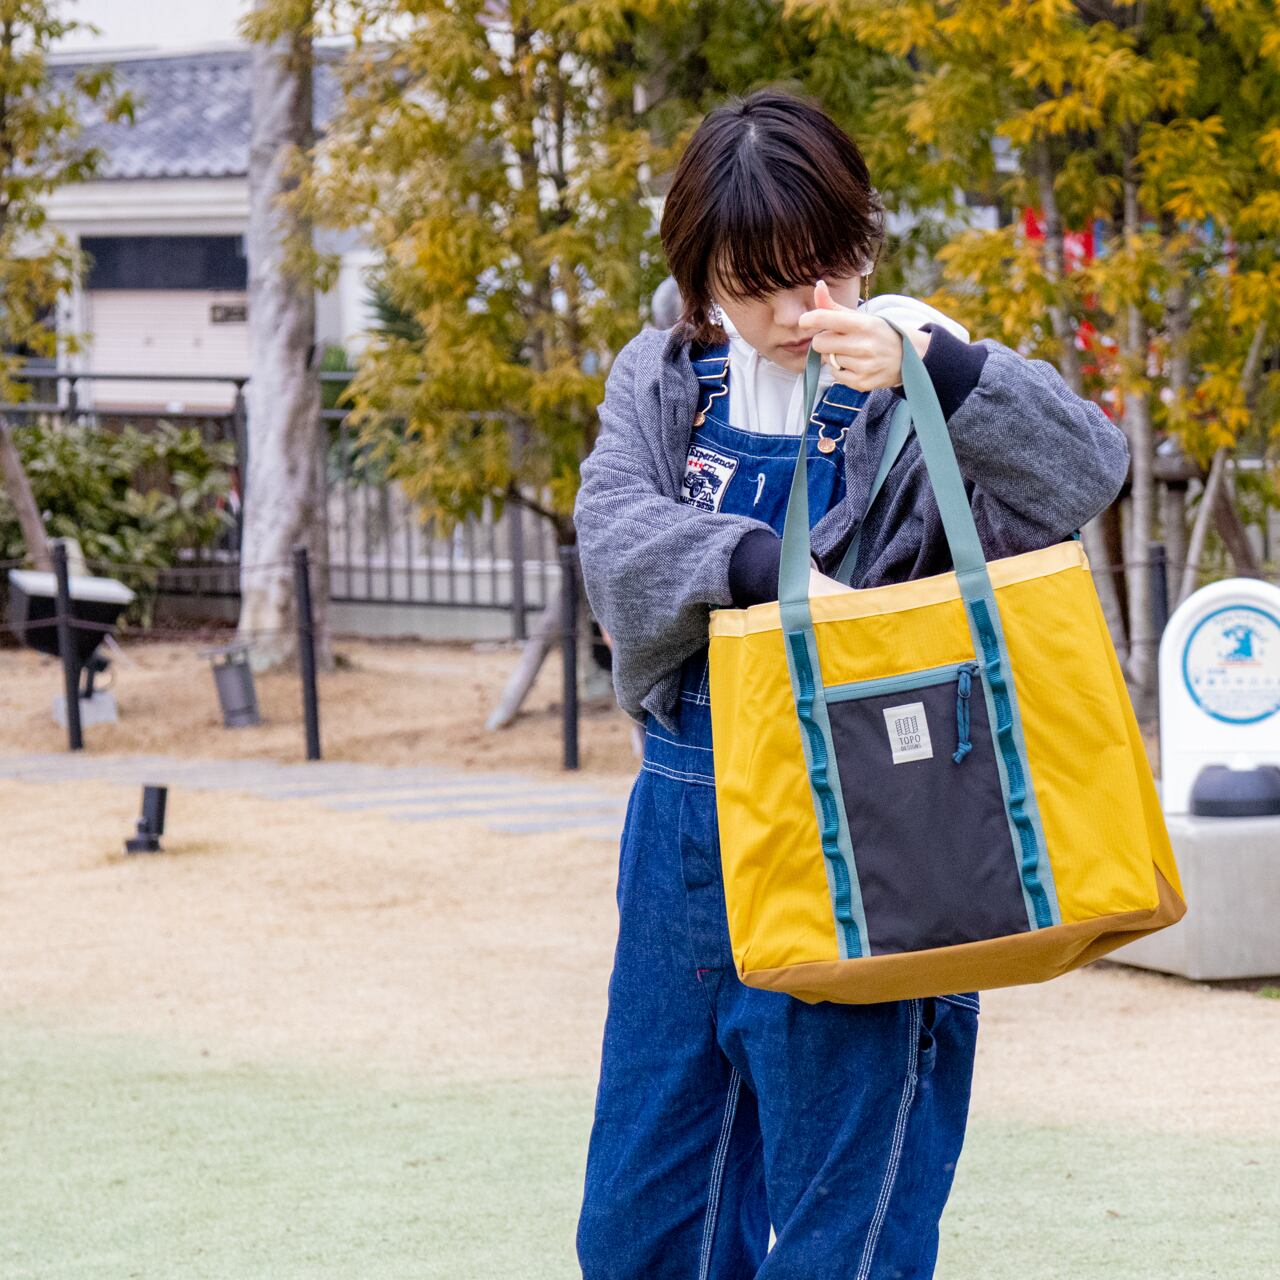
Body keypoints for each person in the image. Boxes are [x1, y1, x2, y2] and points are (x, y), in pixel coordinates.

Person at [572, 90, 1128, 1279]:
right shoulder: (665, 375)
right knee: (638, 1225)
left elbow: (1087, 468)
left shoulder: (918, 358)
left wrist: (938, 368)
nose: (788, 311)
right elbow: (613, 549)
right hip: (685, 815)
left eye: (814, 271)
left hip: (878, 822)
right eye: (750, 280)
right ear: (699, 272)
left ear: (858, 244)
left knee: (843, 1230)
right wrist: (770, 572)